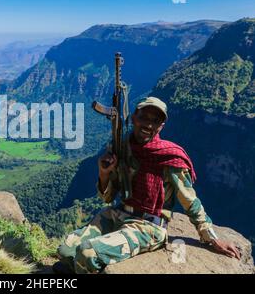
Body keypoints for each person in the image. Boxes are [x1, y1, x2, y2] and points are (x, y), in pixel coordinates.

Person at [54, 96, 241, 274]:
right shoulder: (121, 146)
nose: (148, 124)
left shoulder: (169, 157)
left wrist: (212, 238)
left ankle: (87, 263)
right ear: (134, 117)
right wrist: (104, 172)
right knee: (66, 250)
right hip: (118, 213)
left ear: (161, 126)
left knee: (87, 252)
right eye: (144, 117)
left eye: (155, 121)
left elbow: (189, 200)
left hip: (147, 226)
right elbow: (107, 198)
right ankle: (82, 265)